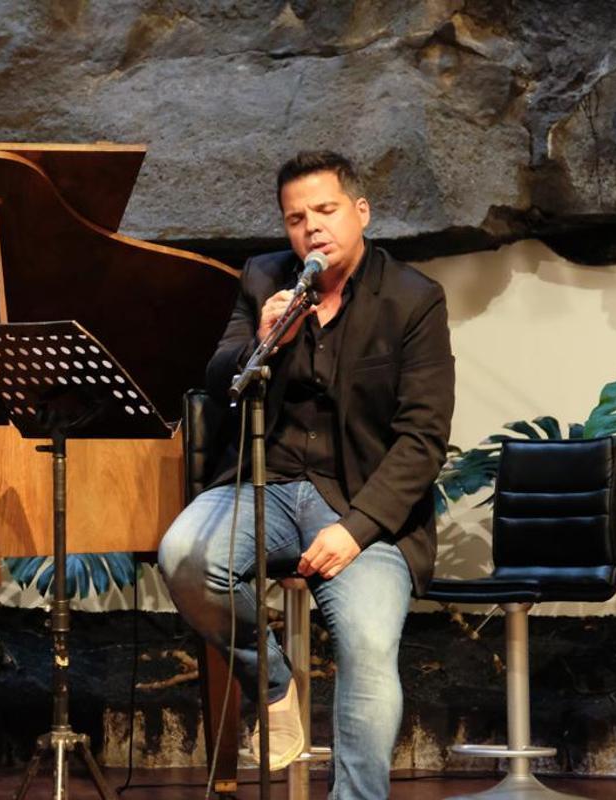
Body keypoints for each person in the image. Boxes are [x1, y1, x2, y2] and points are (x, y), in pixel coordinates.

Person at [158, 151, 455, 799]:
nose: (312, 229)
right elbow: (217, 383)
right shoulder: (264, 279)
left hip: (359, 503)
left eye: (325, 211)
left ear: (360, 213)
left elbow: (423, 438)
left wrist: (356, 530)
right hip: (260, 484)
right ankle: (270, 683)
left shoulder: (411, 300)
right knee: (183, 554)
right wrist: (258, 339)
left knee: (370, 645)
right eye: (296, 218)